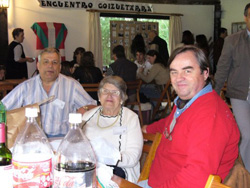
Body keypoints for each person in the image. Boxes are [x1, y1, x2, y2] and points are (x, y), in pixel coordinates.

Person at [139, 45, 240, 188]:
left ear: (205, 73)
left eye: (187, 70)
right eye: (174, 72)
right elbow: (170, 123)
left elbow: (195, 179)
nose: (179, 78)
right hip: (156, 181)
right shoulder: (187, 101)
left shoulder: (209, 115)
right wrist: (147, 129)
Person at [2, 47, 96, 138]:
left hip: (63, 140)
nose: (50, 66)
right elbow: (3, 107)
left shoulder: (72, 85)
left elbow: (93, 108)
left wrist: (85, 109)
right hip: (33, 141)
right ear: (38, 66)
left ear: (59, 67)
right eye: (46, 62)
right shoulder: (26, 87)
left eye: (54, 62)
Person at [82, 76, 143, 183]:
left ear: (122, 98)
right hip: (88, 166)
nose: (109, 96)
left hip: (119, 170)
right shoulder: (87, 117)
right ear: (99, 96)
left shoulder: (131, 118)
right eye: (105, 91)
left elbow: (133, 157)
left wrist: (107, 157)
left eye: (115, 92)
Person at [214, 3, 250, 173]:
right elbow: (222, 69)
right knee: (246, 134)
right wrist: (213, 95)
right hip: (239, 94)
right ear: (246, 17)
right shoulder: (232, 40)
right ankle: (245, 172)